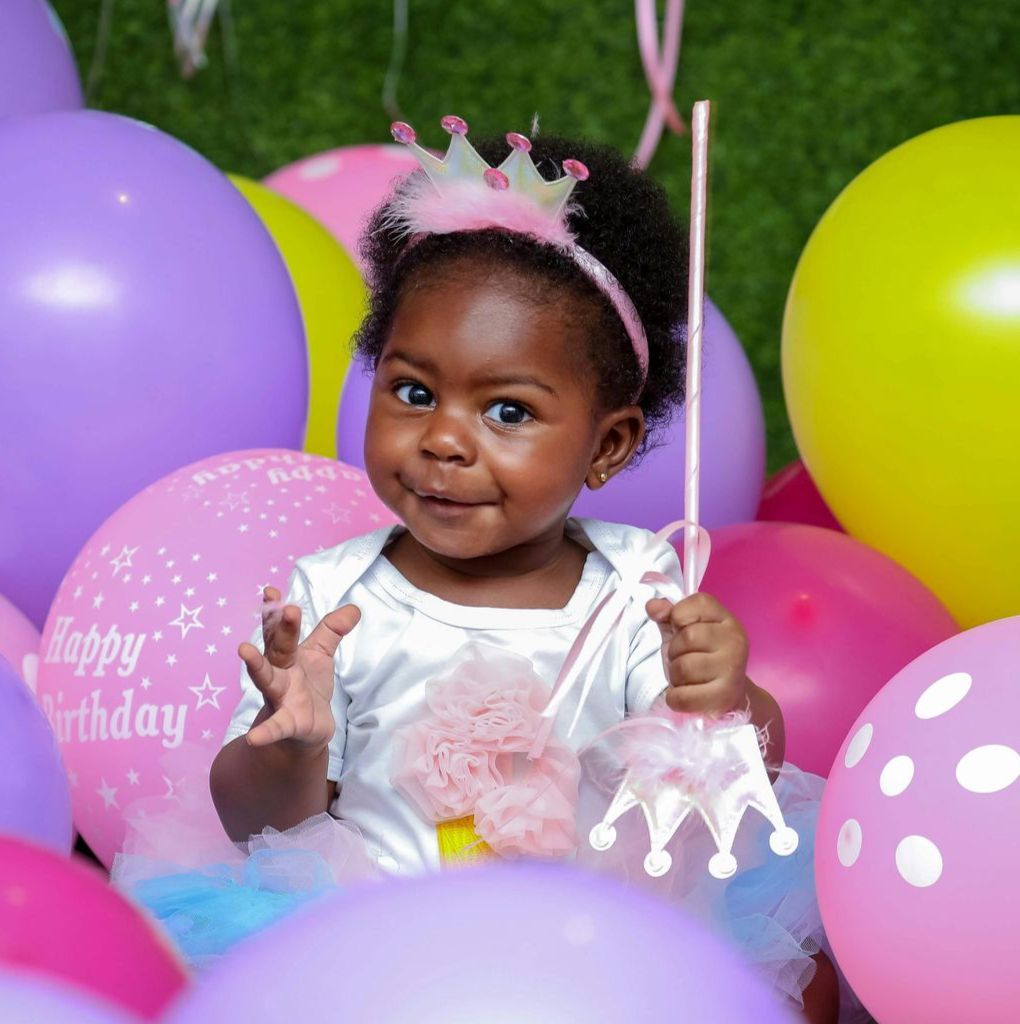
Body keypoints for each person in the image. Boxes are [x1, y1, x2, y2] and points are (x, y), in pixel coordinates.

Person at [206, 118, 844, 1021]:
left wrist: (723, 701)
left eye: (507, 411)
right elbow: (253, 829)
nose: (443, 440)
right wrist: (292, 744)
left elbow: (729, 793)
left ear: (609, 446)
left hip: (592, 967)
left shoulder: (636, 591)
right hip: (381, 968)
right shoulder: (332, 598)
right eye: (413, 392)